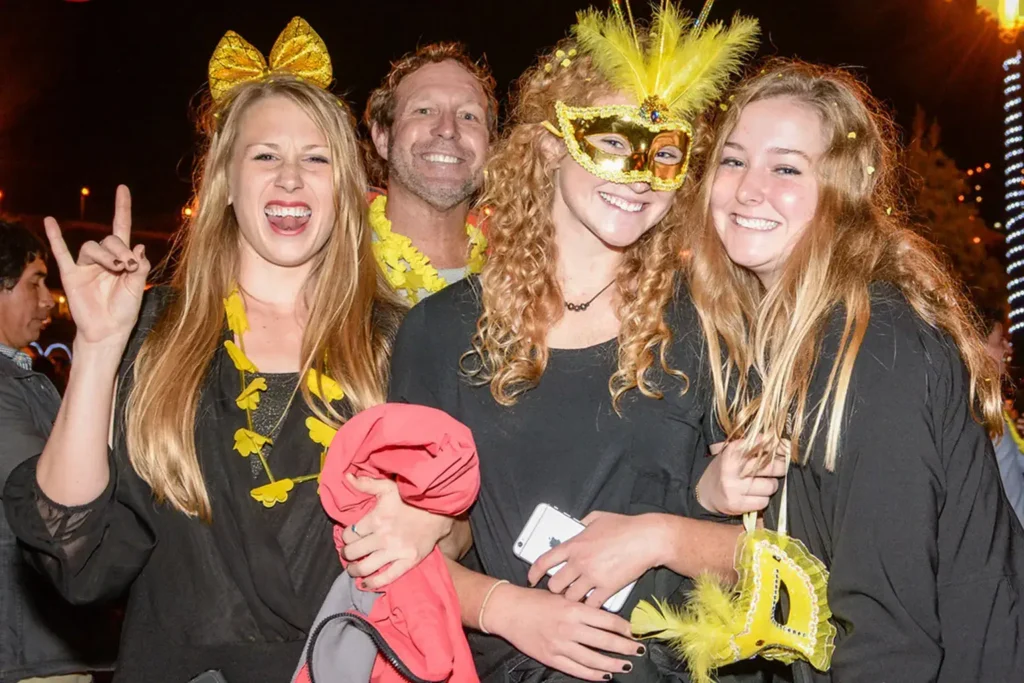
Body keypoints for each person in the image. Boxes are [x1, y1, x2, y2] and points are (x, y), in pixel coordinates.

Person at [363, 3, 761, 682]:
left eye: (664, 153)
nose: (639, 175)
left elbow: (792, 552)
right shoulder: (438, 333)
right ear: (550, 145)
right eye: (612, 142)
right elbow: (401, 551)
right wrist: (507, 609)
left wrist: (659, 536)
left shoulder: (714, 322)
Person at [3, 18, 403, 683]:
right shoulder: (156, 331)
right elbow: (75, 552)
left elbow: (456, 526)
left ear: (347, 188)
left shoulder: (391, 340)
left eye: (316, 157)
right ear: (224, 180)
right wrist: (100, 347)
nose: (291, 178)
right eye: (265, 154)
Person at [691, 59, 1024, 682]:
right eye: (733, 160)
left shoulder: (876, 347)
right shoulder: (777, 336)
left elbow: (889, 635)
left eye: (786, 168)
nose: (747, 189)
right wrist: (706, 492)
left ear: (842, 194)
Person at [1, 220, 116, 683]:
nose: (49, 300)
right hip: (27, 652)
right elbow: (52, 507)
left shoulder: (25, 380)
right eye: (35, 282)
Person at [363, 42, 496, 303]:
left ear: (490, 146)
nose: (448, 129)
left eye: (469, 116)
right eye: (424, 111)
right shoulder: (334, 254)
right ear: (382, 137)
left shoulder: (524, 270)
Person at [975, 303, 1024, 525]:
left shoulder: (992, 405)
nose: (1008, 348)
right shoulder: (976, 413)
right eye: (1000, 341)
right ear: (976, 346)